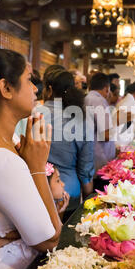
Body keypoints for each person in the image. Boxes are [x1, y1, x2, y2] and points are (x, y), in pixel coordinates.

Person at [0, 49, 62, 269]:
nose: (35, 89)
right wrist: (37, 169)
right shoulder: (1, 158)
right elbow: (49, 238)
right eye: (29, 80)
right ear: (6, 88)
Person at [42, 69, 94, 219]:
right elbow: (86, 167)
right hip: (69, 191)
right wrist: (88, 199)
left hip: (36, 191)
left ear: (49, 89)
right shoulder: (80, 118)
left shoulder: (32, 114)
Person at [84, 72, 115, 173]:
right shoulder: (99, 100)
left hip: (89, 153)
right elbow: (106, 135)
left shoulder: (86, 98)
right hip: (99, 157)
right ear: (107, 88)